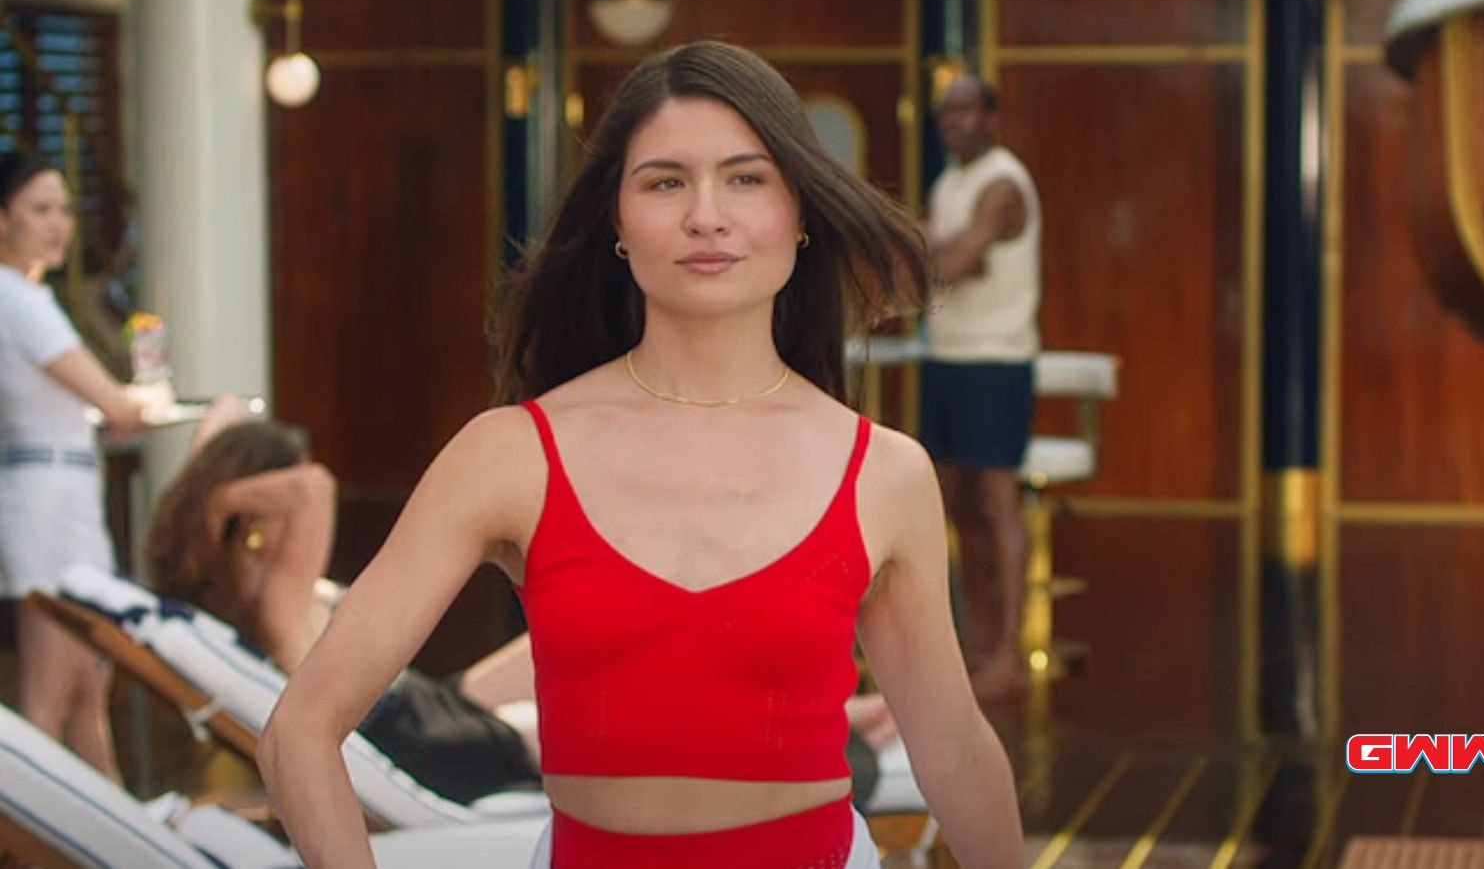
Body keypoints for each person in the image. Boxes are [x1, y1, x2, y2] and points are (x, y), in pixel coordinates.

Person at [259, 40, 1025, 868]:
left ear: (799, 211)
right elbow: (301, 730)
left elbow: (952, 752)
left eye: (746, 177)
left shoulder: (883, 472)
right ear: (618, 222)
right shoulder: (512, 456)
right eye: (665, 181)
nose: (706, 214)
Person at [147, 403, 896, 807]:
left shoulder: (249, 585)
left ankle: (801, 703)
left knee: (566, 635)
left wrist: (211, 485)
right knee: (618, 707)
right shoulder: (272, 592)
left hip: (426, 707)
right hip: (422, 741)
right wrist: (215, 493)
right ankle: (813, 725)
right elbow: (311, 486)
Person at [0, 153, 154, 780]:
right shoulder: (19, 301)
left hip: (60, 491)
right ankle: (36, 842)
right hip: (45, 499)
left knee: (87, 683)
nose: (58, 223)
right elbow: (115, 403)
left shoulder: (30, 296)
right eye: (39, 209)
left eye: (63, 209)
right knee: (52, 689)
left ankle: (113, 838)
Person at [921, 76, 1042, 701]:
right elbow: (928, 256)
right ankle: (978, 642)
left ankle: (1011, 655)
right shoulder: (949, 184)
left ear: (992, 117)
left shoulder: (1002, 183)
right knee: (957, 506)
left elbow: (947, 264)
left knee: (996, 502)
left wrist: (938, 253)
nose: (955, 121)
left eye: (967, 109)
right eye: (946, 112)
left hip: (996, 361)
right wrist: (938, 252)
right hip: (947, 358)